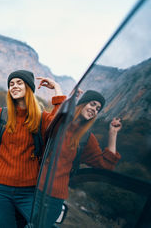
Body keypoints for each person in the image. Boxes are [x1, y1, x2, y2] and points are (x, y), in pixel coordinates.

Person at [0, 70, 66, 228]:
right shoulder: (1, 116)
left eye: (19, 83)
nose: (14, 86)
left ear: (29, 88)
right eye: (11, 84)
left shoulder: (42, 118)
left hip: (30, 192)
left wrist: (57, 90)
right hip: (0, 191)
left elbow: (61, 127)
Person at [31, 90, 122, 228]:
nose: (94, 110)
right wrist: (69, 99)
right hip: (33, 188)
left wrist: (113, 134)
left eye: (98, 109)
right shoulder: (60, 123)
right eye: (92, 104)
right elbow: (51, 120)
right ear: (82, 104)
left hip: (54, 199)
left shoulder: (86, 138)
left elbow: (105, 166)